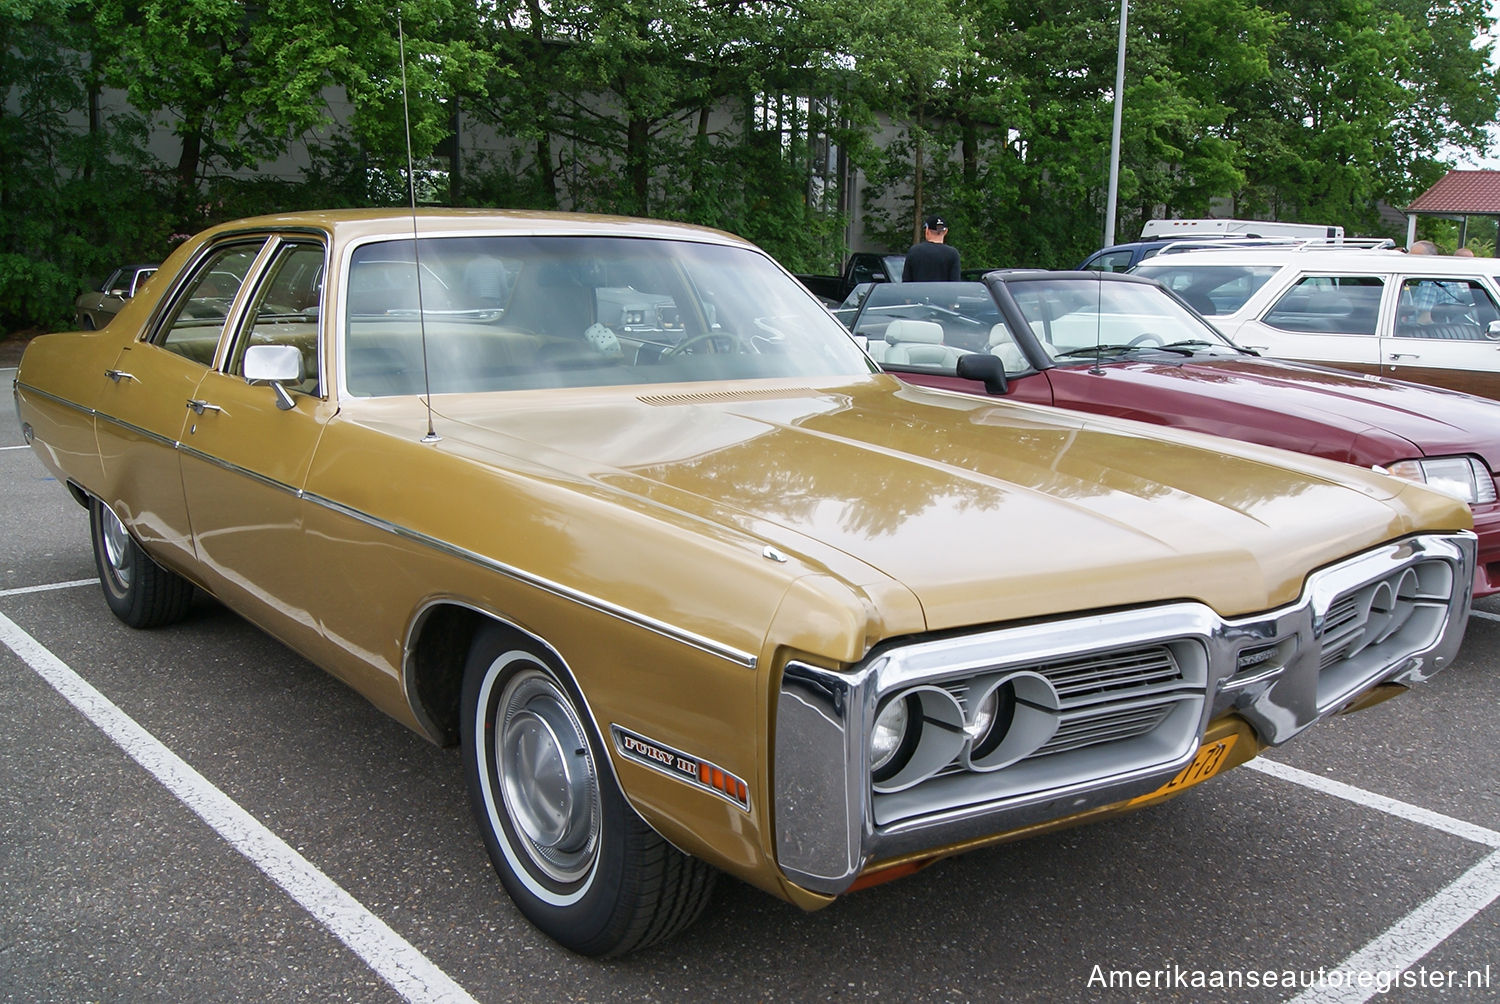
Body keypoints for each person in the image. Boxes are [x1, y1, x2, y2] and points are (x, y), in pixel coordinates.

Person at [902, 214, 961, 281]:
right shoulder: (952, 254)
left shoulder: (914, 251)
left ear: (927, 230)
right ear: (945, 231)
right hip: (943, 291)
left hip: (919, 291)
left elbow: (906, 281)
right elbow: (955, 283)